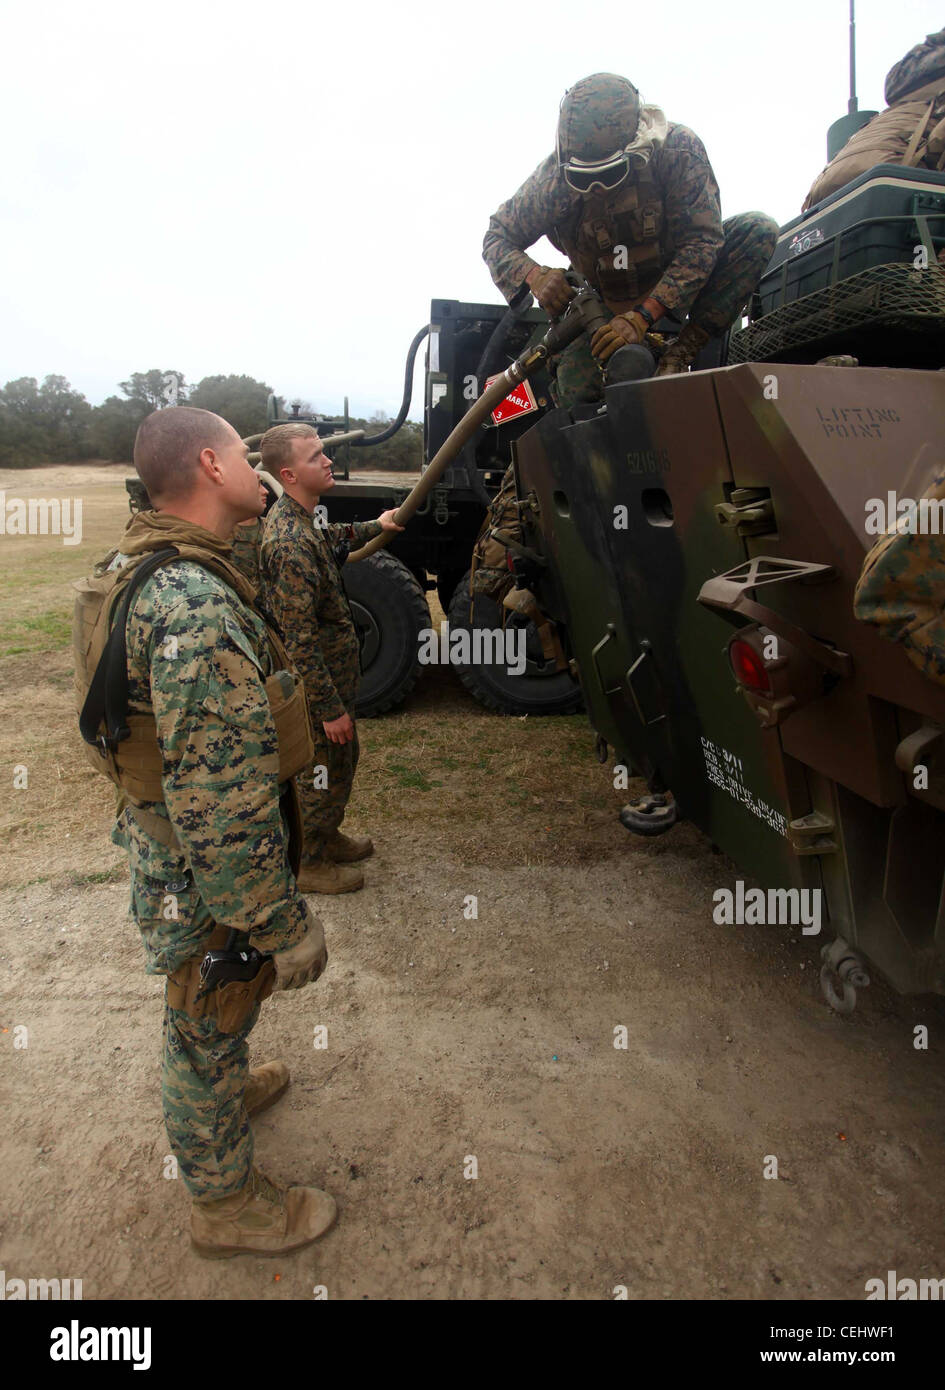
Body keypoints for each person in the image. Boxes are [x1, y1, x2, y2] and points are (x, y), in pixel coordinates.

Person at [75, 406, 337, 1259]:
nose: (259, 470)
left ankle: (223, 1088)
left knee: (215, 1007)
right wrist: (279, 922)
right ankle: (224, 1204)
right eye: (241, 453)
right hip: (201, 869)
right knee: (203, 1013)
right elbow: (222, 804)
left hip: (163, 839)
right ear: (209, 466)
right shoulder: (191, 602)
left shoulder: (145, 559)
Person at [483, 71, 778, 403]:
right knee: (578, 392)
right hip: (604, 304)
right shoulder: (551, 183)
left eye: (608, 174)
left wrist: (644, 316)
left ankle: (678, 355)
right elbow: (497, 237)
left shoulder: (677, 150)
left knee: (758, 230)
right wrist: (535, 276)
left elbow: (702, 242)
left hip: (682, 288)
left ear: (635, 147)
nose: (596, 189)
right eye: (584, 180)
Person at [259, 423, 403, 894]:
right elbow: (298, 641)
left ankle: (327, 835)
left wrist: (375, 526)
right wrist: (329, 711)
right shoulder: (289, 544)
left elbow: (333, 538)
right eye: (315, 457)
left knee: (340, 763)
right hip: (318, 695)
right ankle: (308, 861)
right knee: (318, 772)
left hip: (336, 682)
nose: (327, 461)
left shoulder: (305, 522)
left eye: (324, 453)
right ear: (288, 473)